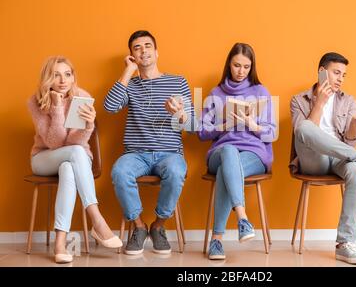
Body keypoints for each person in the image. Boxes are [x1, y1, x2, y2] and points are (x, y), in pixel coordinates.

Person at [290, 52, 356, 265]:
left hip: (339, 157)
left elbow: (347, 146)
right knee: (303, 126)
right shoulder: (299, 100)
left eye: (344, 75)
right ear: (322, 72)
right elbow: (302, 135)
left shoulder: (348, 101)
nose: (340, 78)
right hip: (314, 160)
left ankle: (345, 244)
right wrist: (320, 102)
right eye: (336, 72)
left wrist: (355, 126)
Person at [104, 30, 194, 255]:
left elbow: (193, 127)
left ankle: (158, 225)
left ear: (156, 52)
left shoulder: (178, 81)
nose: (143, 50)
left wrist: (180, 114)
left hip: (169, 153)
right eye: (137, 47)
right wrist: (127, 71)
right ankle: (139, 226)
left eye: (147, 46)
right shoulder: (130, 84)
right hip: (136, 154)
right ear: (132, 55)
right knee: (120, 171)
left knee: (175, 171)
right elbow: (110, 107)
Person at [28, 56, 122, 264]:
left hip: (73, 157)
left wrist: (88, 126)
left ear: (73, 78)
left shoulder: (81, 97)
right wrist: (56, 107)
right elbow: (54, 143)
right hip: (43, 159)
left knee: (69, 167)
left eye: (67, 74)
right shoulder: (36, 101)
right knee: (75, 154)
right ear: (47, 79)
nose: (63, 80)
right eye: (56, 75)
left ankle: (60, 243)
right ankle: (97, 219)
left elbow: (74, 143)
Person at [198, 43, 277, 260]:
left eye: (246, 66)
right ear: (228, 65)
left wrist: (253, 124)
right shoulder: (216, 93)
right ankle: (242, 217)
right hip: (220, 151)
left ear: (252, 67)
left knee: (227, 171)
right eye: (236, 65)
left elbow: (272, 134)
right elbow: (202, 133)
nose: (241, 71)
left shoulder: (261, 92)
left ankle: (217, 241)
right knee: (228, 151)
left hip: (253, 154)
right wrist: (223, 126)